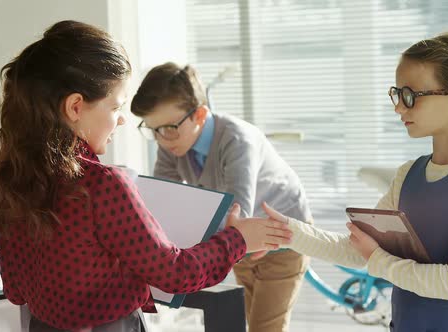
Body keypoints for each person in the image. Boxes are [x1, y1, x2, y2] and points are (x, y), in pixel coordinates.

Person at [0, 20, 293, 332]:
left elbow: (15, 288)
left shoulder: (16, 180)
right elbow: (176, 274)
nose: (120, 121)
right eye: (115, 107)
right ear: (76, 107)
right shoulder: (103, 185)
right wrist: (239, 239)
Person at [263, 30, 448, 331]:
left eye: (410, 96)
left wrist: (379, 260)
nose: (398, 108)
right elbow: (356, 250)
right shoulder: (408, 175)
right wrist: (285, 231)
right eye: (397, 94)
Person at [131, 62, 312, 332]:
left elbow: (237, 215)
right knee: (248, 319)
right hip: (245, 241)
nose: (162, 139)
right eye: (153, 129)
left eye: (168, 128)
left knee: (266, 327)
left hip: (281, 236)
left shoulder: (237, 140)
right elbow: (162, 203)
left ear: (200, 115)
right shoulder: (171, 140)